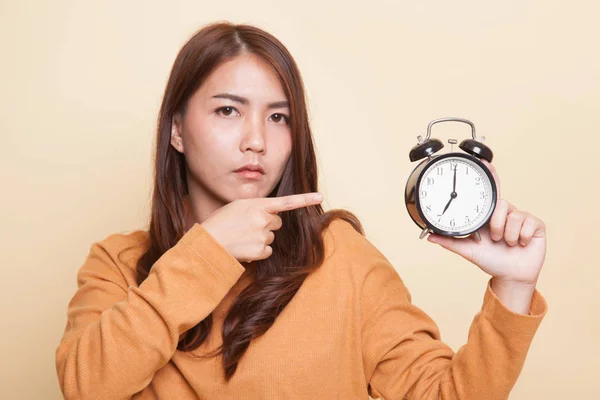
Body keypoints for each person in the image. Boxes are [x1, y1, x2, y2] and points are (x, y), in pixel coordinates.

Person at [55, 21, 547, 400]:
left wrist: (513, 286)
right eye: (228, 110)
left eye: (278, 117)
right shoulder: (119, 263)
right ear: (177, 131)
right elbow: (86, 386)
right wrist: (207, 254)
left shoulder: (340, 258)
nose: (256, 140)